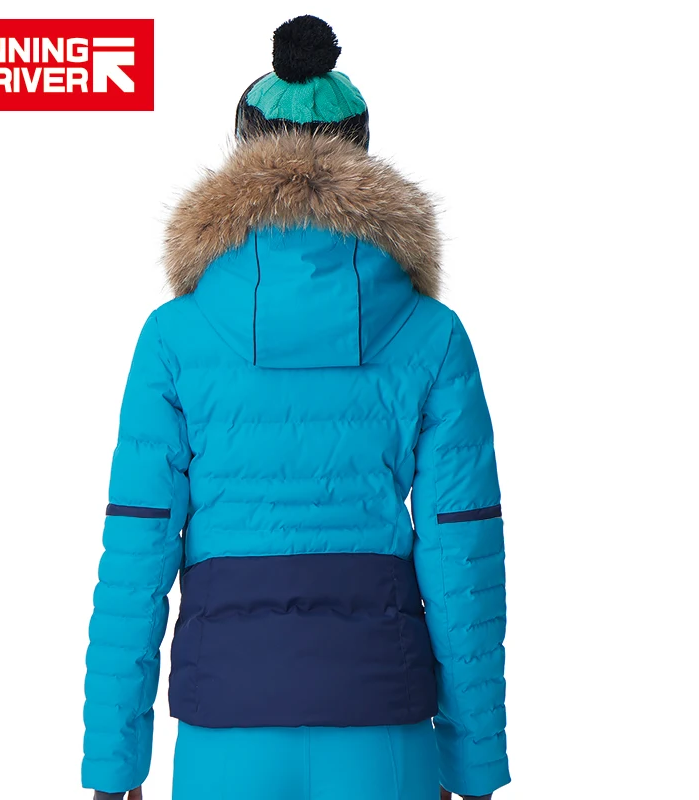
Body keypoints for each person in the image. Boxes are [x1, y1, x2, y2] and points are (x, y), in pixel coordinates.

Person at [81, 15, 510, 800]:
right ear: (361, 152)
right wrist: (475, 766)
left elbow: (136, 553)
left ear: (243, 150)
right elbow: (463, 556)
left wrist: (114, 765)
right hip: (383, 725)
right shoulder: (433, 335)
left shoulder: (173, 337)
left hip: (224, 730)